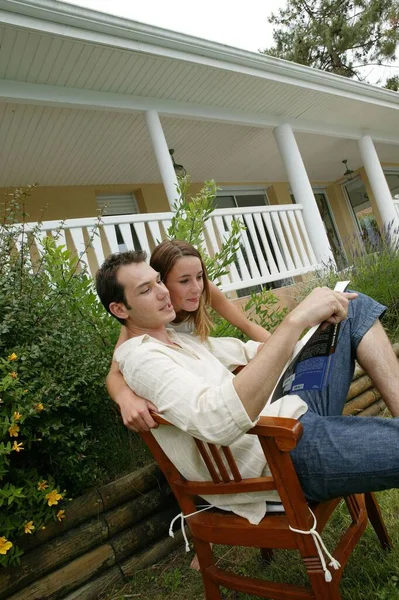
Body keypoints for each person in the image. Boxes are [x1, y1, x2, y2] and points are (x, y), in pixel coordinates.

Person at [96, 250, 399, 526]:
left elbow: (255, 352)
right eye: (146, 290)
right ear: (120, 309)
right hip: (279, 455)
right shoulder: (142, 358)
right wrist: (295, 321)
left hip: (290, 414)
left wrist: (309, 332)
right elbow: (218, 420)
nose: (163, 293)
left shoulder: (180, 339)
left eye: (159, 281)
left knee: (351, 306)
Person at [106, 239, 271, 433]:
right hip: (182, 387)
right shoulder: (146, 319)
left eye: (200, 276)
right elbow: (114, 372)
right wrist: (125, 398)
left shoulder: (201, 290)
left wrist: (286, 351)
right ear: (164, 281)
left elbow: (247, 325)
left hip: (198, 366)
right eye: (184, 280)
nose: (196, 288)